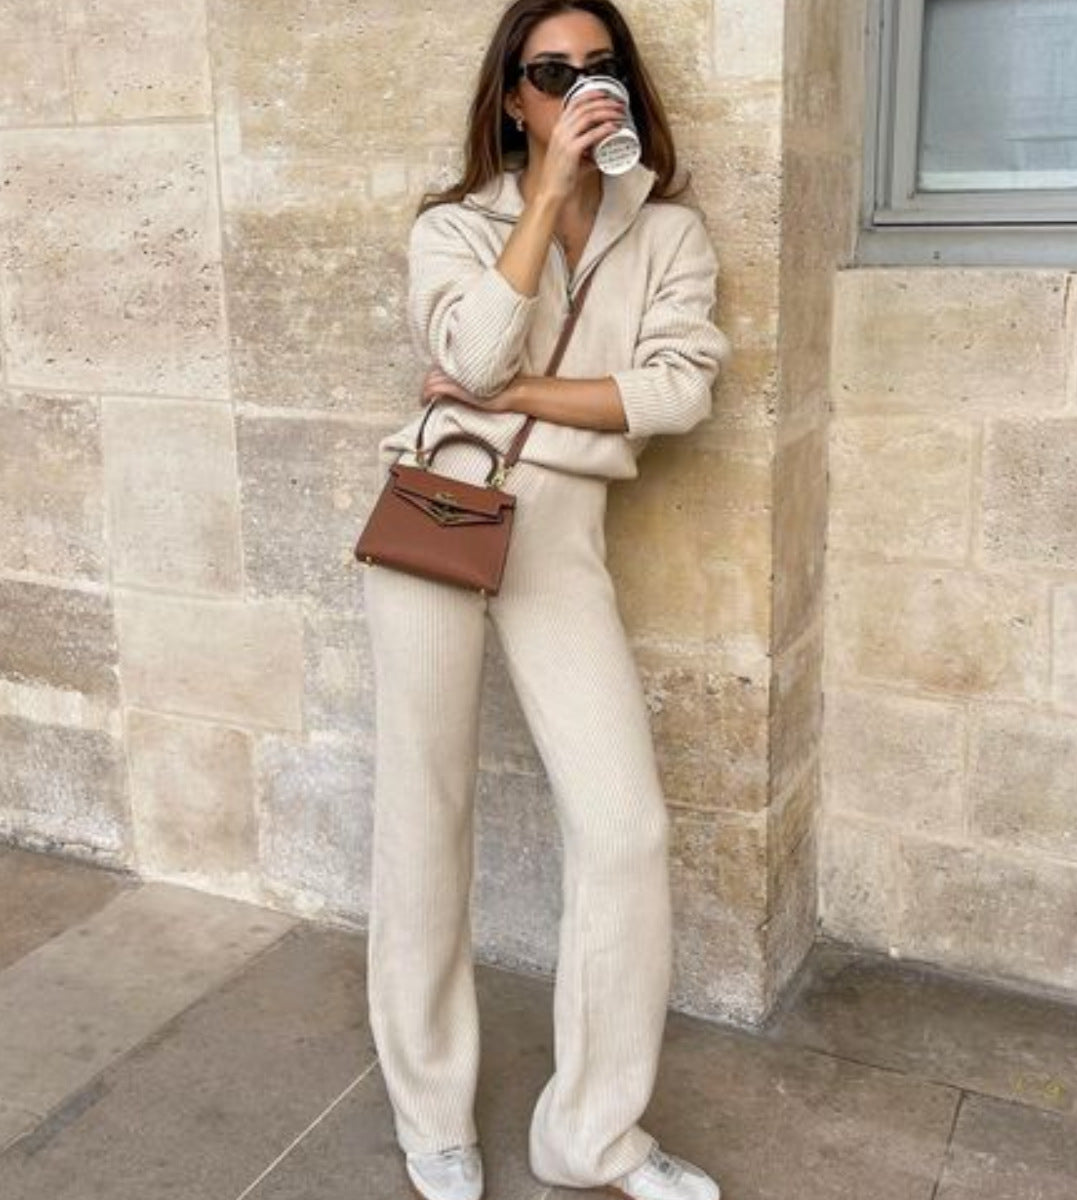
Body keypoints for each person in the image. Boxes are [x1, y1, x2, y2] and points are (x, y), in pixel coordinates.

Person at [360, 2, 729, 1198]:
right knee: (424, 818)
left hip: (559, 538)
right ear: (514, 98)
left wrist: (515, 391)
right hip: (438, 514)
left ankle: (590, 1138)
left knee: (625, 828)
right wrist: (541, 203)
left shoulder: (667, 232)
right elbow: (468, 353)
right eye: (551, 72)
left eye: (598, 67)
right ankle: (431, 1113)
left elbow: (676, 392)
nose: (579, 87)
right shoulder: (452, 226)